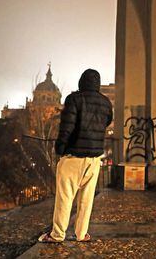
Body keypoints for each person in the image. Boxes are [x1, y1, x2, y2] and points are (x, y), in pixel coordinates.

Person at [38, 69, 113, 243]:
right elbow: (107, 121)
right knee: (87, 199)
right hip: (94, 158)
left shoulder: (74, 99)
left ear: (82, 82)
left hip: (74, 157)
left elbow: (67, 127)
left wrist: (60, 148)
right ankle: (81, 234)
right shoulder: (105, 102)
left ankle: (57, 235)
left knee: (65, 197)